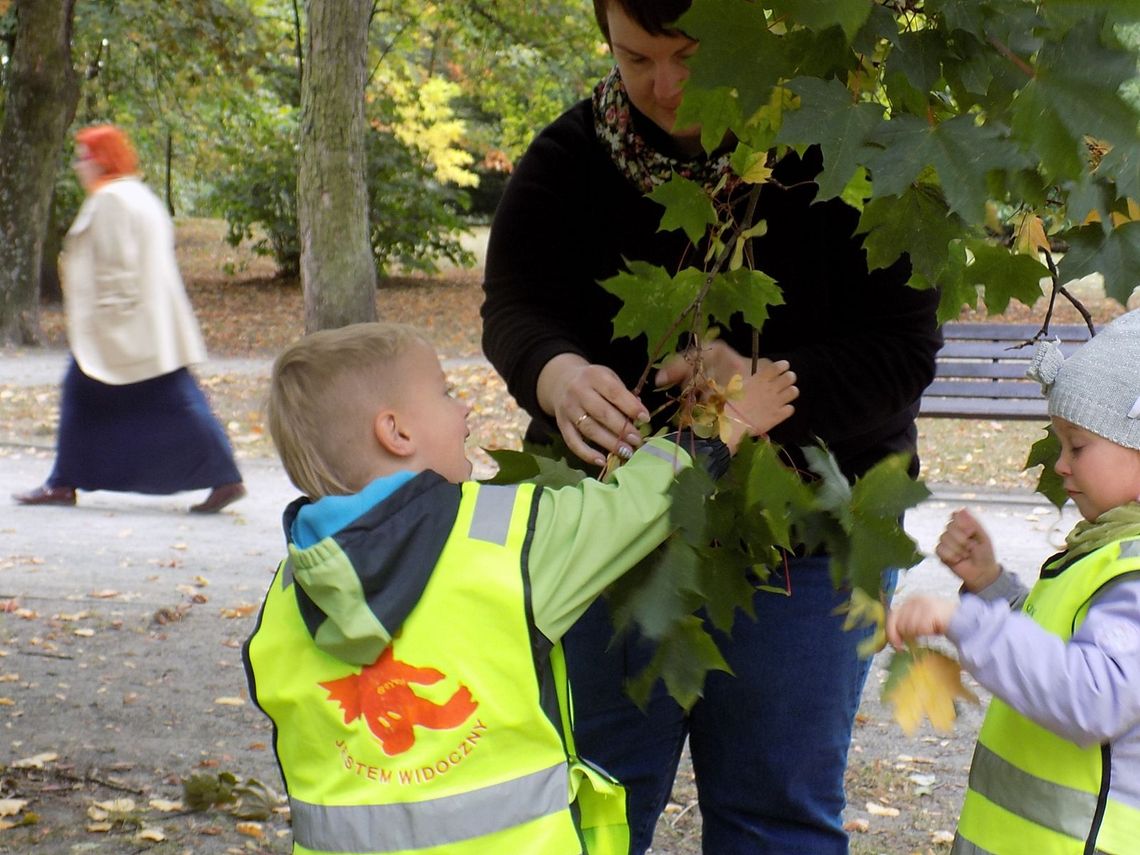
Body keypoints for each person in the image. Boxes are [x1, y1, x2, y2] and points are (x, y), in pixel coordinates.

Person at [479, 0, 942, 851]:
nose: (662, 86)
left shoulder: (844, 155)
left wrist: (767, 385)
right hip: (612, 543)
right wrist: (557, 373)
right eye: (634, 57)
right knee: (589, 806)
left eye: (686, 57)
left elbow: (902, 353)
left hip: (803, 551)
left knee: (776, 822)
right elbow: (514, 306)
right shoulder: (566, 159)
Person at [241, 321, 798, 854]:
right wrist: (728, 425)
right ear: (396, 432)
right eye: (445, 392)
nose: (465, 407)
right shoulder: (508, 541)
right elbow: (633, 507)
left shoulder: (287, 598)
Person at [887, 309, 1140, 855]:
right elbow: (1056, 649)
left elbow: (1094, 696)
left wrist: (964, 621)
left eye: (1078, 446)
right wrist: (991, 587)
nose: (1062, 466)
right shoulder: (1106, 551)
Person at [12, 124, 245, 514]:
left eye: (83, 156)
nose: (77, 165)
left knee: (168, 396)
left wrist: (112, 324)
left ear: (101, 159)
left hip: (124, 326)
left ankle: (225, 477)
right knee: (134, 395)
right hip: (146, 323)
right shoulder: (138, 194)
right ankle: (64, 481)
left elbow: (119, 266)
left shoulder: (112, 201)